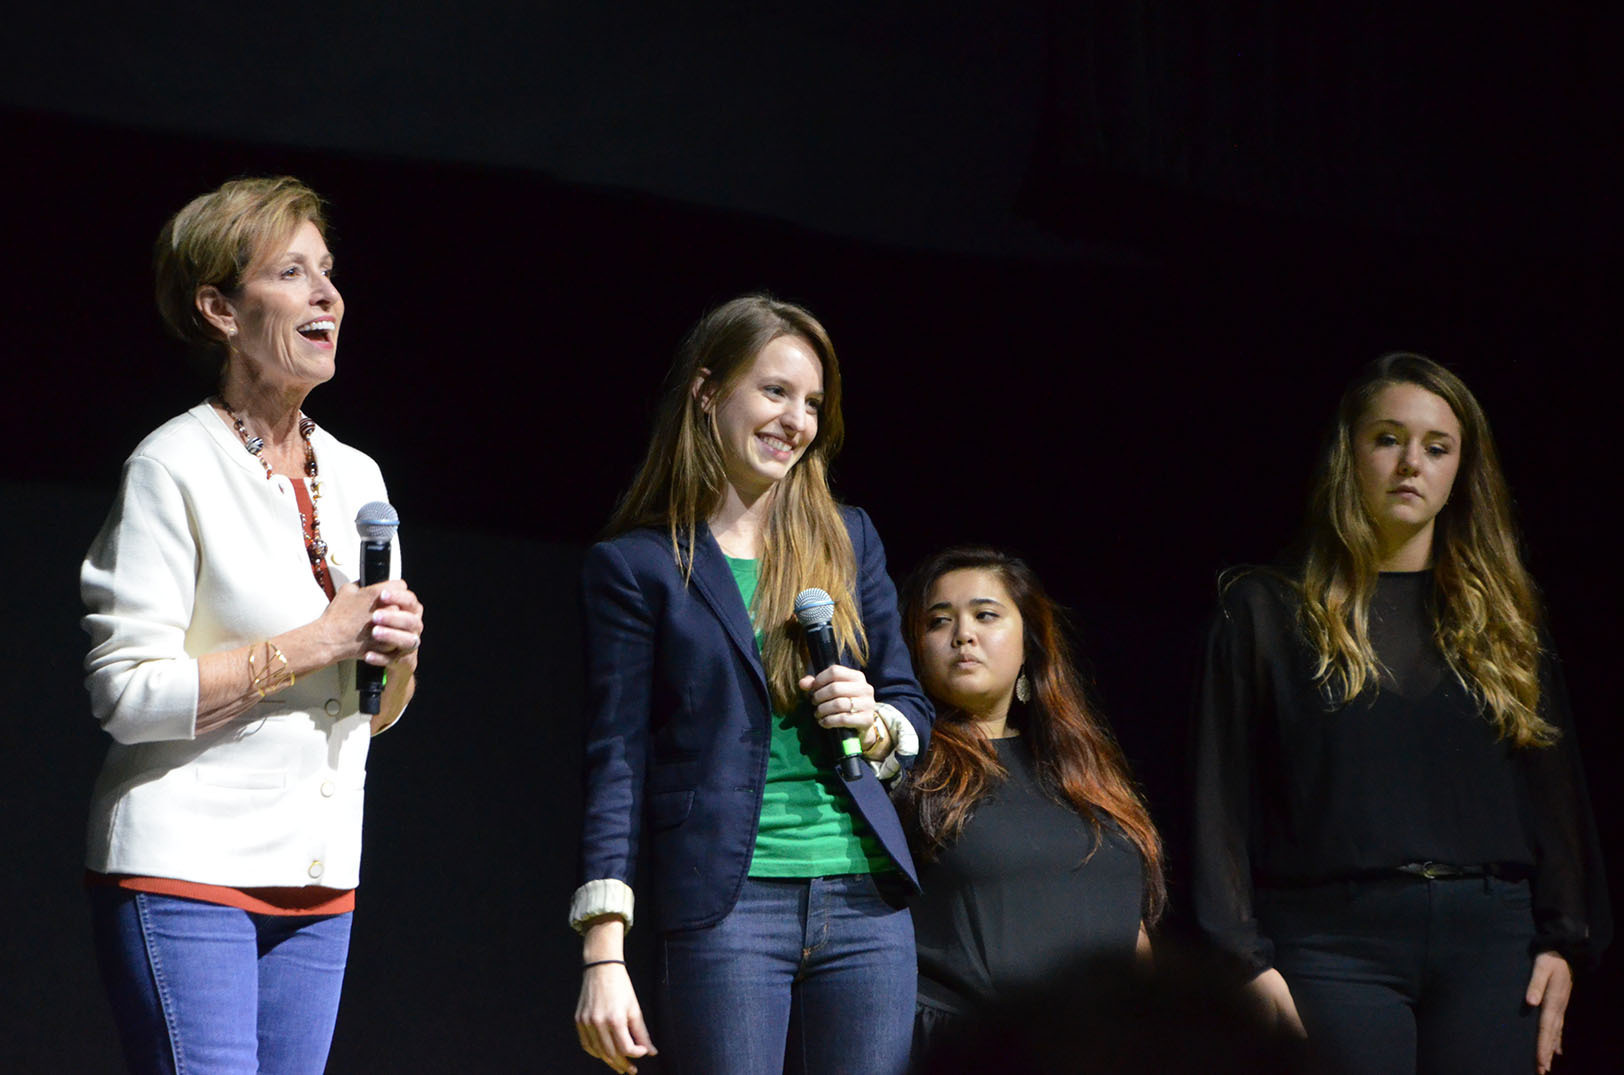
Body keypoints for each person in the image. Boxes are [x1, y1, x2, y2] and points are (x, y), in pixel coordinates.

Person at [81, 177, 425, 1074]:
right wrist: (318, 641)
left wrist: (397, 655)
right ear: (219, 309)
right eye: (292, 272)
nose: (328, 295)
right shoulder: (171, 466)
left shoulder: (358, 476)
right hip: (188, 865)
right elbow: (122, 692)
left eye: (330, 272)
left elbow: (372, 711)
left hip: (318, 878)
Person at [1192, 353, 1609, 1075]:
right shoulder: (1265, 608)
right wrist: (1241, 959)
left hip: (1492, 940)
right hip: (1331, 942)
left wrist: (1563, 940)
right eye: (1388, 438)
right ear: (1347, 454)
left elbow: (1554, 786)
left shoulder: (1505, 618)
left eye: (1437, 446)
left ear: (1460, 473)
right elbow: (1218, 795)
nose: (1411, 462)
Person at [571, 294, 933, 1075]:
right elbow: (616, 758)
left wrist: (876, 724)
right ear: (707, 392)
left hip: (865, 901)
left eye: (811, 403)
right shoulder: (638, 565)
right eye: (774, 391)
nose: (795, 420)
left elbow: (910, 704)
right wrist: (604, 949)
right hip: (728, 908)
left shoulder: (848, 535)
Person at [894, 546, 1166, 1065]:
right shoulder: (909, 767)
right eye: (938, 621)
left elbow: (1129, 922)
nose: (963, 634)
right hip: (979, 1048)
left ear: (1029, 643)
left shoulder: (1082, 766)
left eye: (986, 614)